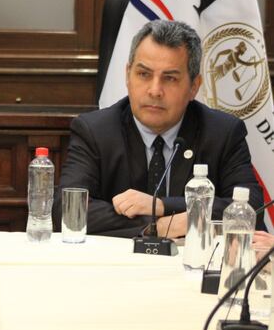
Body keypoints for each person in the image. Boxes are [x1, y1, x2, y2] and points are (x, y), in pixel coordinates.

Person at [56, 20, 262, 238]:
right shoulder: (95, 131)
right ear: (127, 75)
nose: (155, 90)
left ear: (194, 86)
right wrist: (157, 227)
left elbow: (252, 209)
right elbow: (67, 209)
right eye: (144, 74)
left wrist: (163, 206)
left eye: (170, 78)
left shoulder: (222, 133)